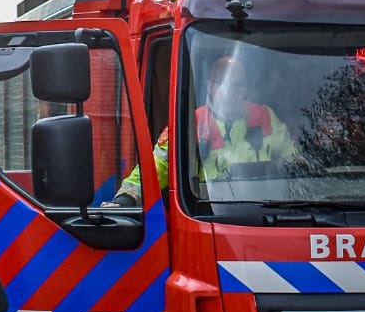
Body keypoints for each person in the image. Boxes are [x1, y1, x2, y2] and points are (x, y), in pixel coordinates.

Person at [110, 54, 298, 204]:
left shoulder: (264, 115)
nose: (233, 91)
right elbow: (157, 166)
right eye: (226, 84)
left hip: (263, 210)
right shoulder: (192, 122)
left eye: (239, 85)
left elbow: (292, 159)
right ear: (210, 87)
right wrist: (128, 197)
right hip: (210, 214)